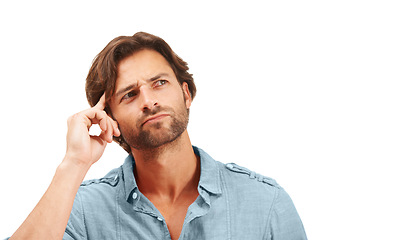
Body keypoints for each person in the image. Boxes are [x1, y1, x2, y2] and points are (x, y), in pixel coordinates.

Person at [7, 32, 307, 240]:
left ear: (186, 93)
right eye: (129, 94)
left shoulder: (266, 202)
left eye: (160, 82)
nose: (149, 101)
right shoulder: (81, 210)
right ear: (110, 119)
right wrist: (74, 163)